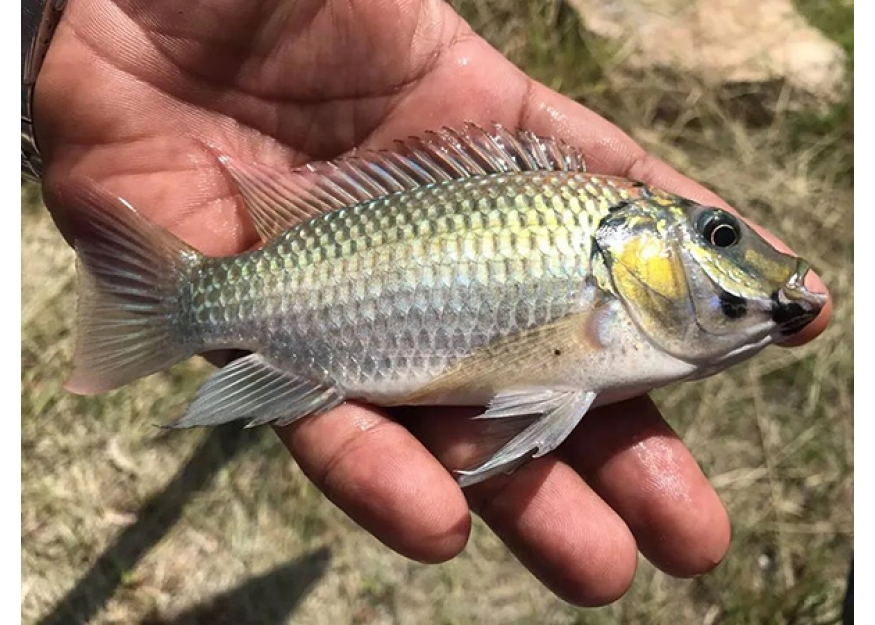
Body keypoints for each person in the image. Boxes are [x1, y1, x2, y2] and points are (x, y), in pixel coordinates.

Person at [22, 0, 831, 607]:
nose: (736, 257)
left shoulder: (628, 285)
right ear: (629, 250)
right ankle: (174, 302)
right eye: (718, 235)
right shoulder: (602, 271)